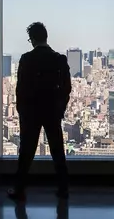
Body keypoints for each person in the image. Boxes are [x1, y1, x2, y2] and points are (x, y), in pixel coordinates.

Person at [9, 22, 73, 202]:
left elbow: (20, 88)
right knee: (57, 150)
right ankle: (63, 188)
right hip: (52, 110)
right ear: (46, 36)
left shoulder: (26, 59)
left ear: (33, 39)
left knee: (26, 151)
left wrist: (22, 110)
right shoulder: (59, 59)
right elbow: (67, 87)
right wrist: (60, 107)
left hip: (31, 111)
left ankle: (19, 189)